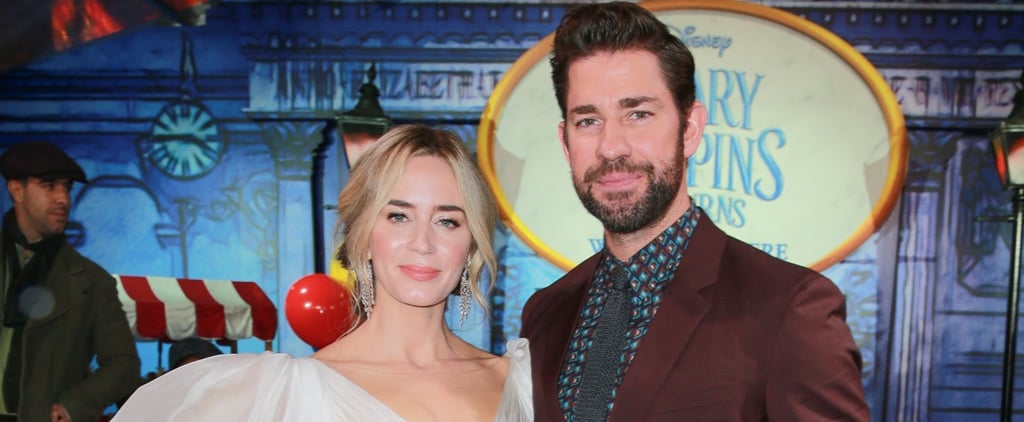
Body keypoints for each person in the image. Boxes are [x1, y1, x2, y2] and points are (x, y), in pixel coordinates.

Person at [518, 2, 869, 421]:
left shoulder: (789, 310)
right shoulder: (545, 312)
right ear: (565, 142)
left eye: (638, 114)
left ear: (690, 129)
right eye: (588, 121)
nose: (611, 147)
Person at [115, 124, 532, 421]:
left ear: (472, 244)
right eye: (399, 216)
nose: (422, 242)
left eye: (447, 221)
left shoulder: (519, 385)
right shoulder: (285, 394)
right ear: (365, 237)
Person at [0, 141, 141, 421]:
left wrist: (73, 406)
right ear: (17, 190)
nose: (63, 199)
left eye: (67, 187)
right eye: (50, 186)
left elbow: (124, 364)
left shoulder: (91, 281)